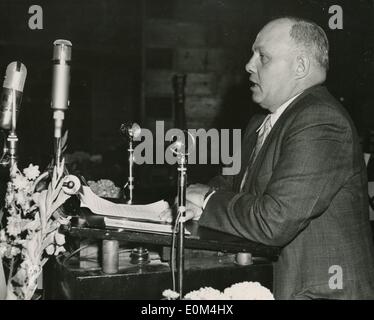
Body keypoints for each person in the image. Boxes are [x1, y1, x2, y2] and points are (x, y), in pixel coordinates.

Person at [160, 16, 374, 299]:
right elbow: (228, 185)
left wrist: (207, 200)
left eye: (263, 57)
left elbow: (275, 221)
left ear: (300, 66)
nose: (249, 65)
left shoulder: (320, 120)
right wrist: (194, 201)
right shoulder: (261, 123)